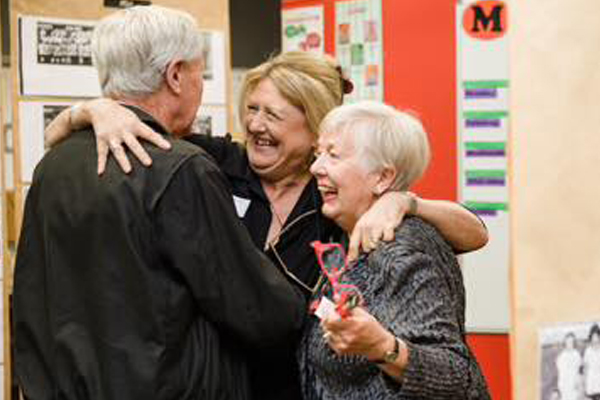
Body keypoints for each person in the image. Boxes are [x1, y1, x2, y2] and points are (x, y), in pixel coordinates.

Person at [44, 51, 489, 399]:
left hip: (302, 385)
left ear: (313, 124)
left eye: (272, 115)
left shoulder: (337, 200)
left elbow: (474, 233)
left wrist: (403, 201)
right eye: (251, 109)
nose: (255, 124)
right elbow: (66, 139)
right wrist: (94, 111)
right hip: (219, 384)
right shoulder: (213, 165)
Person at [12, 6, 305, 400]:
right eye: (200, 73)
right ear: (175, 75)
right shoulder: (180, 168)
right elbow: (259, 309)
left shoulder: (54, 164)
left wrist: (84, 110)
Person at [300, 100, 491, 399]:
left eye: (333, 155)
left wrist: (380, 346)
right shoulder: (345, 237)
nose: (315, 167)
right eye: (318, 153)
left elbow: (455, 376)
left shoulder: (401, 250)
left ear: (383, 178)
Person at [555, 332, 583, 400]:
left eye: (571, 342)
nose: (569, 344)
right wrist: (559, 388)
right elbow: (560, 373)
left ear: (574, 343)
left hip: (574, 387)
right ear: (565, 342)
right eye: (568, 341)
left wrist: (579, 386)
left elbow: (579, 372)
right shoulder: (561, 356)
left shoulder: (577, 355)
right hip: (564, 387)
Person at [584, 324, 600, 399]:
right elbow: (585, 368)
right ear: (590, 338)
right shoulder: (588, 351)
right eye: (593, 337)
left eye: (597, 336)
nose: (595, 339)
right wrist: (585, 383)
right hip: (591, 383)